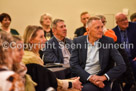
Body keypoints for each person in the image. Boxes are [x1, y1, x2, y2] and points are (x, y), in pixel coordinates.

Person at [70, 17, 126, 91]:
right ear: (88, 30)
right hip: (82, 77)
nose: (101, 30)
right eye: (97, 28)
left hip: (101, 79)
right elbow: (74, 64)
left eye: (102, 27)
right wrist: (90, 78)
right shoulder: (78, 41)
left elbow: (122, 65)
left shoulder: (108, 41)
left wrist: (103, 77)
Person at [22, 25, 83, 91]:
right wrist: (71, 83)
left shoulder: (26, 54)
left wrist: (69, 81)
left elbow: (48, 80)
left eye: (44, 36)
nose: (45, 40)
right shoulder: (32, 58)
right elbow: (49, 82)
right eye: (41, 37)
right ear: (31, 40)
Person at [113, 12, 136, 91]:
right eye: (122, 20)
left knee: (134, 65)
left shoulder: (134, 26)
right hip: (121, 59)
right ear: (117, 22)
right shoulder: (113, 32)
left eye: (126, 19)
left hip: (134, 57)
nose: (125, 21)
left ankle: (128, 87)